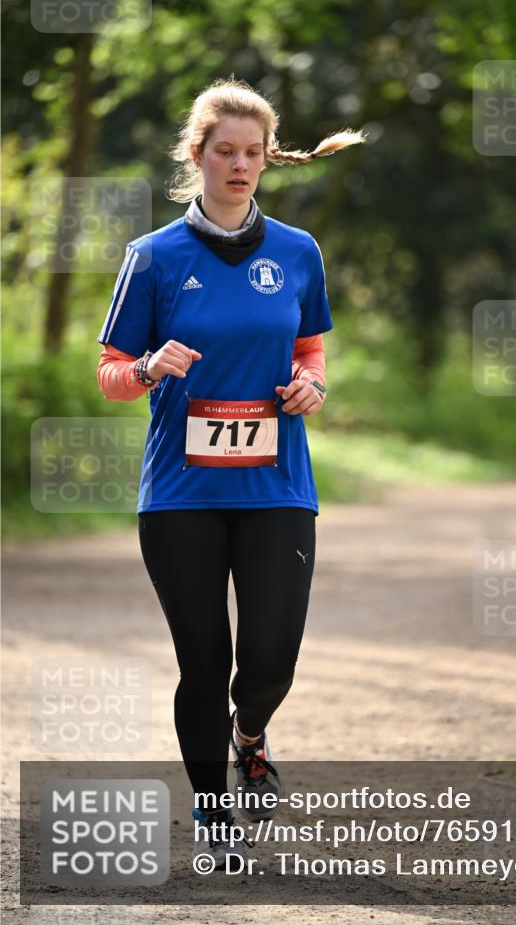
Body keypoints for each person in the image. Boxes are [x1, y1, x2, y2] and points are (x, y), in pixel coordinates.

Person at [96, 76, 366, 866]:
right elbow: (110, 372)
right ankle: (213, 816)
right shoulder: (151, 257)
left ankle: (251, 733)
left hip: (277, 483)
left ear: (266, 158)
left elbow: (310, 350)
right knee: (203, 660)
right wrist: (148, 366)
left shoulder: (297, 251)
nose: (240, 165)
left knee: (271, 654)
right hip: (180, 491)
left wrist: (312, 383)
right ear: (197, 155)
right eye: (225, 152)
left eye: (253, 153)